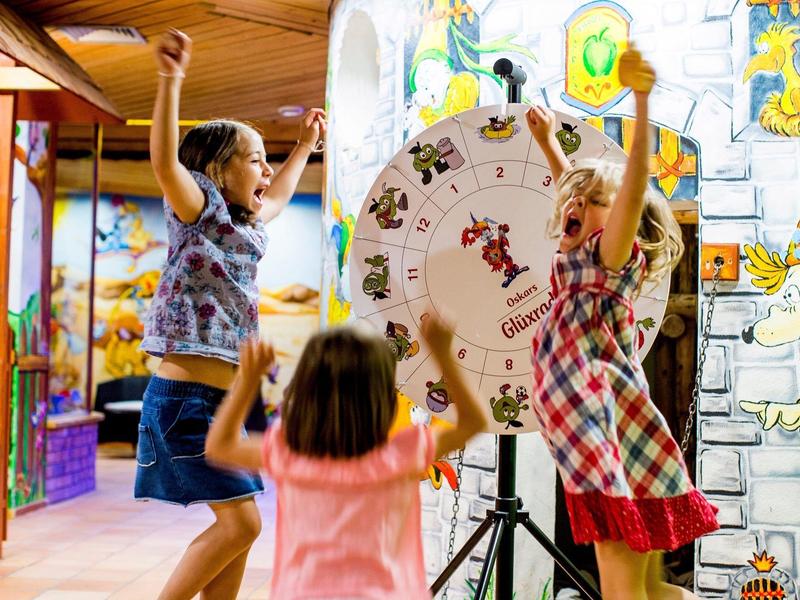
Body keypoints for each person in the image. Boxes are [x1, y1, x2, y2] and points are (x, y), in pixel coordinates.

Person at [133, 28, 326, 600]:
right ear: (216, 171)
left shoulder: (248, 228)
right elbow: (166, 161)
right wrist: (171, 79)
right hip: (185, 401)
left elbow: (283, 193)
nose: (267, 173)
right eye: (256, 161)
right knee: (243, 525)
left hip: (224, 404)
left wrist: (302, 150)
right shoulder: (198, 210)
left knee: (239, 533)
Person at [525, 47, 719, 600]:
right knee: (633, 548)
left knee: (613, 530)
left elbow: (630, 184)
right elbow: (576, 191)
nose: (578, 204)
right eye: (576, 202)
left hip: (595, 404)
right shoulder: (580, 250)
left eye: (596, 201)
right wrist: (546, 145)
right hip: (582, 405)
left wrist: (640, 101)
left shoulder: (610, 255)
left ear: (626, 220)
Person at [205, 316, 486, 599]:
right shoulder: (402, 455)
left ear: (306, 393)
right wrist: (442, 354)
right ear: (384, 400)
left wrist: (248, 380)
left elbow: (219, 446)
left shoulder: (290, 452)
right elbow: (473, 421)